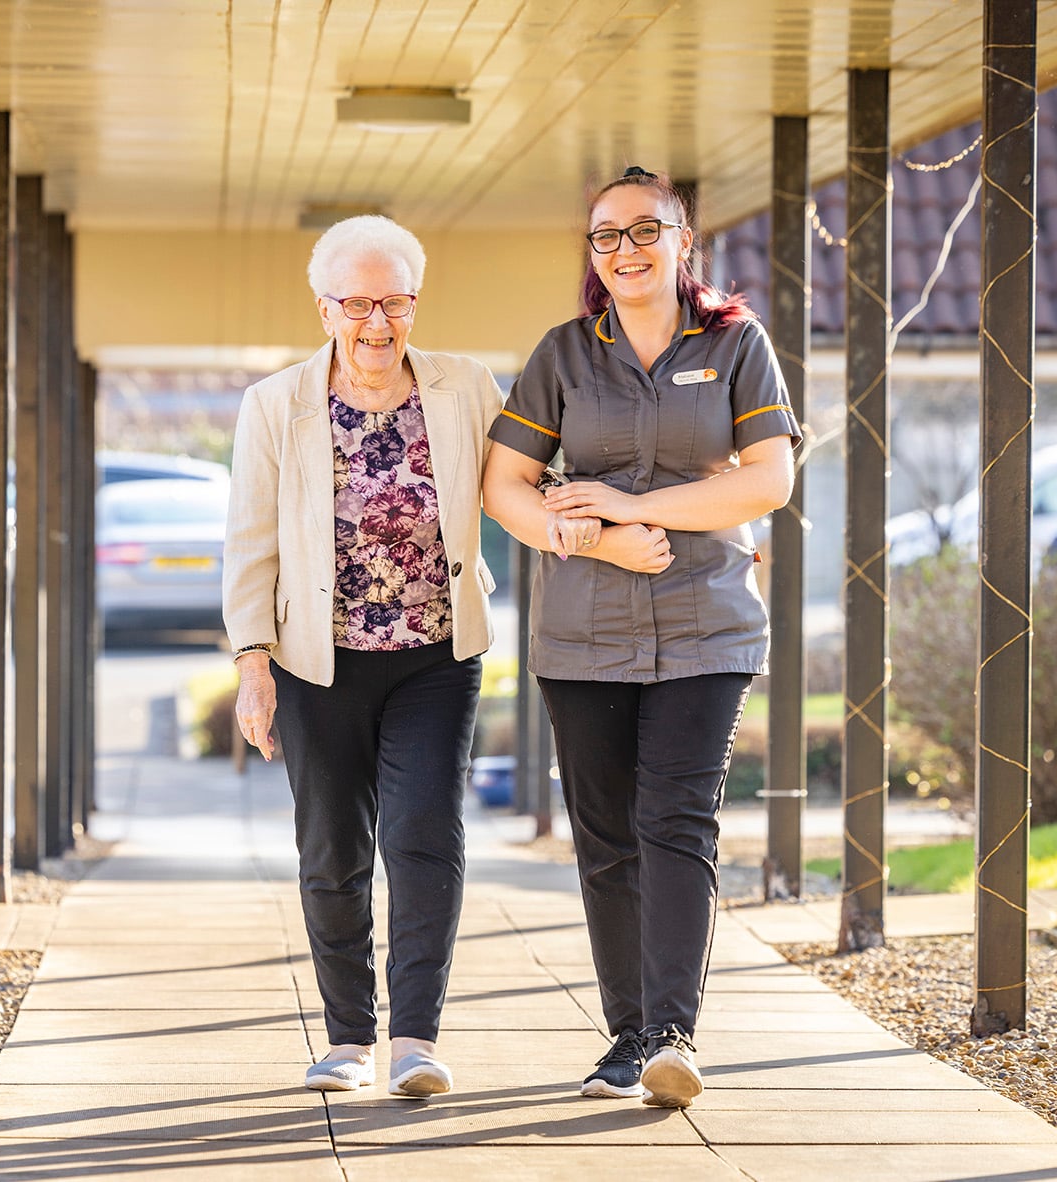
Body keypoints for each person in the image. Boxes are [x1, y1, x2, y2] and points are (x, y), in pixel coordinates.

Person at [481, 166, 800, 1108]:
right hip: (581, 633)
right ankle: (625, 1039)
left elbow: (767, 482)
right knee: (606, 836)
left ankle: (671, 1034)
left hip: (709, 625)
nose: (625, 250)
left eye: (644, 230)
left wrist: (636, 502)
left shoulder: (737, 344)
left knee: (677, 823)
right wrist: (592, 537)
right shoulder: (564, 356)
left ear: (683, 237)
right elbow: (506, 487)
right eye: (605, 236)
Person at [223, 215, 504, 1099]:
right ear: (325, 307)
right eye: (358, 303)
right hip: (317, 660)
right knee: (333, 847)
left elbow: (531, 480)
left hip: (435, 653)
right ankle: (348, 1039)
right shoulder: (275, 405)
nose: (377, 323)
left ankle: (416, 1041)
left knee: (425, 835)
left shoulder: (468, 388)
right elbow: (251, 543)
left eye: (395, 302)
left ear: (416, 303)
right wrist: (253, 664)